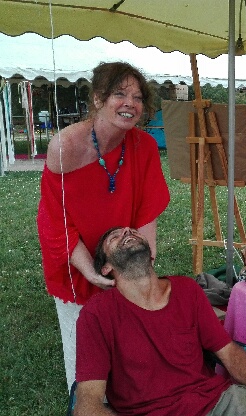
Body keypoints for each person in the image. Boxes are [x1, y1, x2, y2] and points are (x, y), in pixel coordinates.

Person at [74, 227, 246, 416]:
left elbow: (228, 352)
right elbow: (87, 404)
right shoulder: (97, 315)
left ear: (150, 255)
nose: (127, 232)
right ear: (106, 268)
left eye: (132, 231)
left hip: (218, 403)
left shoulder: (186, 290)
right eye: (115, 237)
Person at [36, 62, 170, 392]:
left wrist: (143, 264)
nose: (130, 103)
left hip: (121, 260)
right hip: (75, 262)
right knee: (85, 358)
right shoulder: (65, 147)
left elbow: (148, 209)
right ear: (98, 98)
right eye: (119, 94)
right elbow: (56, 221)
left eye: (137, 97)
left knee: (128, 349)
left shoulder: (144, 146)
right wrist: (91, 272)